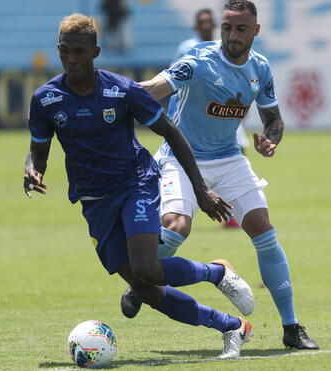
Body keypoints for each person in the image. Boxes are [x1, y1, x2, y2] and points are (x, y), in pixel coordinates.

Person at [23, 13, 255, 359]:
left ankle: (216, 272)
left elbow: (172, 133)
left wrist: (201, 189)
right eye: (64, 51)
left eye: (79, 52)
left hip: (136, 184)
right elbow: (38, 152)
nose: (71, 59)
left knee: (148, 267)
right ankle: (230, 325)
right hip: (94, 201)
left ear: (95, 51)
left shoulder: (121, 90)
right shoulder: (46, 99)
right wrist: (32, 170)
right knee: (145, 288)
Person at [121, 0, 319, 350]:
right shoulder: (199, 61)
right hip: (181, 158)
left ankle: (291, 328)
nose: (231, 35)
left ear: (255, 30)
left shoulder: (260, 68)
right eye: (226, 27)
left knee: (265, 232)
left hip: (229, 159)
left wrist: (270, 141)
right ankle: (141, 278)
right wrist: (111, 93)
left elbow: (273, 118)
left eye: (240, 28)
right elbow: (153, 88)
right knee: (176, 227)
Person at [174, 8, 249, 228]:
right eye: (202, 22)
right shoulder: (187, 49)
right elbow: (176, 79)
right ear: (196, 26)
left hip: (223, 112)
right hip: (197, 118)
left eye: (209, 22)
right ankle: (182, 206)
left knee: (238, 152)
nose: (206, 26)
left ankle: (231, 213)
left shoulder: (223, 48)